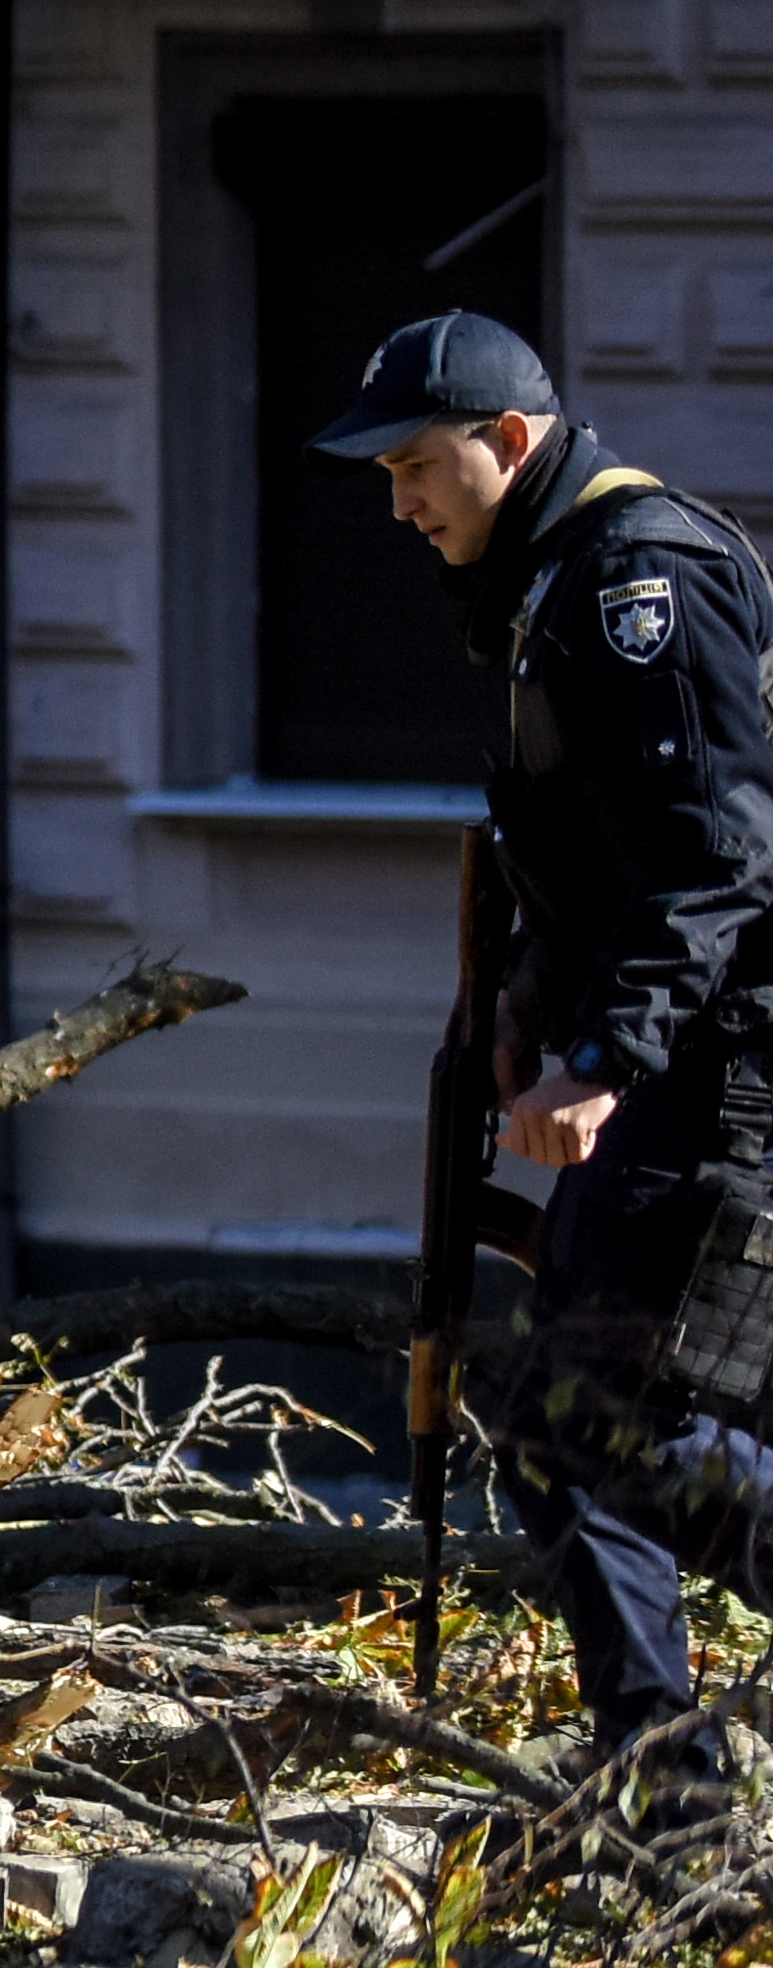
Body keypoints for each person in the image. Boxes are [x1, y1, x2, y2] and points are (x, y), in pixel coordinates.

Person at [337, 306, 773, 1772]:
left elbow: (717, 863)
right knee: (587, 1421)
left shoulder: (635, 581)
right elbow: (587, 855)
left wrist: (608, 1060)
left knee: (580, 1419)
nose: (400, 505)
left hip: (712, 1080)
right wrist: (529, 1011)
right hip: (666, 1072)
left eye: (415, 467)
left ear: (505, 443)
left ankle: (670, 1782)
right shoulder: (554, 583)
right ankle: (662, 1767)